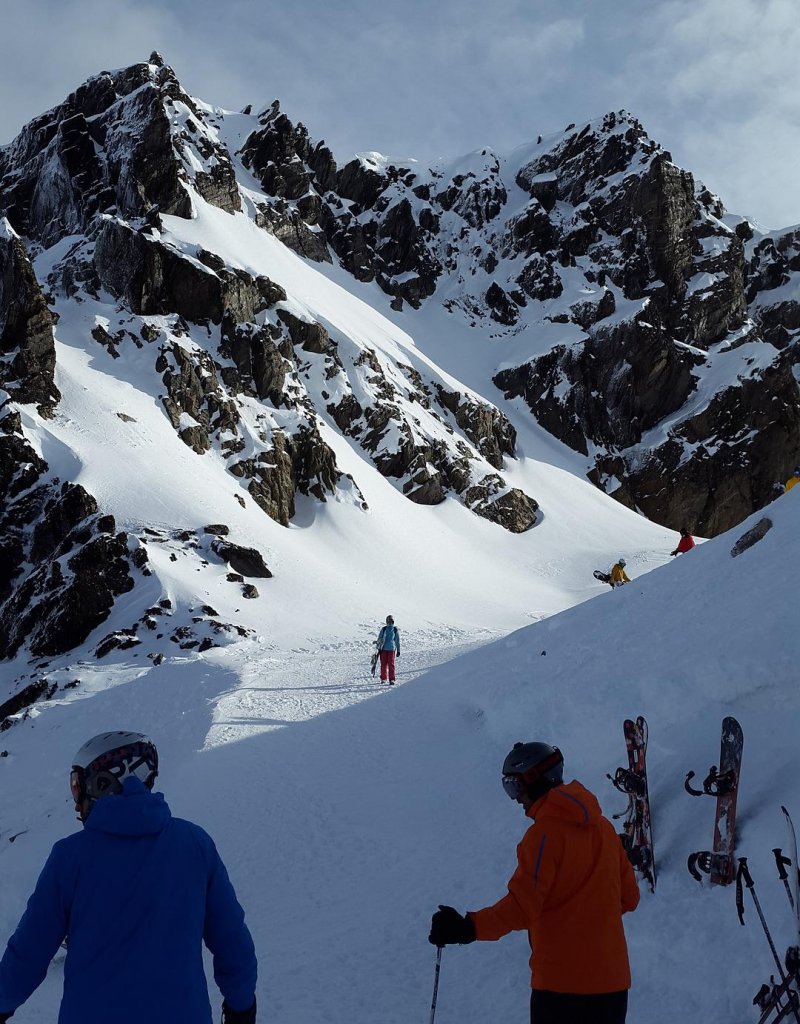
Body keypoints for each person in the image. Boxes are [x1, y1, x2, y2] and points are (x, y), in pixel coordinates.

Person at [0, 731, 257, 1024]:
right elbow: (232, 942)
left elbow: (28, 955)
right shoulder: (195, 844)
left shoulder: (70, 857)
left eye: (77, 785)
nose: (76, 801)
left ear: (102, 783)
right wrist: (241, 1007)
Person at [428, 742, 639, 1024]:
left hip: (561, 987)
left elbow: (521, 906)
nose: (516, 799)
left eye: (514, 786)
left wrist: (468, 928)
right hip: (613, 986)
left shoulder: (544, 836)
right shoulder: (605, 830)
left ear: (534, 780)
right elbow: (629, 898)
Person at [376, 615, 401, 685]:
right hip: (383, 649)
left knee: (391, 664)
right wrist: (378, 646)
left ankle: (392, 679)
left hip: (391, 649)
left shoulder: (395, 629)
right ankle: (383, 678)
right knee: (383, 664)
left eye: (392, 621)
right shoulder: (384, 629)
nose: (390, 622)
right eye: (389, 621)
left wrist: (398, 650)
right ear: (387, 621)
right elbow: (379, 638)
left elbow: (397, 641)